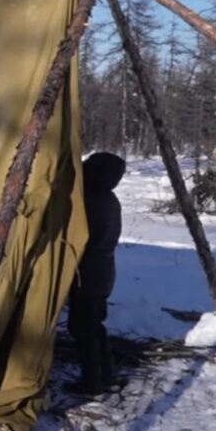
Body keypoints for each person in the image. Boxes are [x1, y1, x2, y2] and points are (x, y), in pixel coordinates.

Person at [67, 151, 126, 396]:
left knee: (83, 329)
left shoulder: (91, 201)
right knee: (94, 326)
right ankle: (107, 376)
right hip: (101, 274)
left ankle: (92, 382)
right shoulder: (108, 199)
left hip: (88, 275)